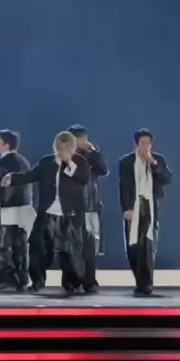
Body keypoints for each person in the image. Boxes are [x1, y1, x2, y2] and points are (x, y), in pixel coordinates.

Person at [1, 131, 89, 294]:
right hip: (47, 213)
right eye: (60, 148)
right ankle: (37, 281)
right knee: (38, 249)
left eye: (66, 148)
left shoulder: (79, 162)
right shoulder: (46, 162)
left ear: (72, 148)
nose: (62, 152)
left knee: (70, 253)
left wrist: (68, 162)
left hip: (69, 216)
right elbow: (30, 176)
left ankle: (72, 283)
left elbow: (83, 179)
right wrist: (12, 178)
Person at [119, 128, 172, 296]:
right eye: (142, 143)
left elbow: (166, 179)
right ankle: (140, 282)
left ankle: (146, 285)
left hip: (150, 206)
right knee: (133, 247)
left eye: (148, 143)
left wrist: (153, 164)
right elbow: (124, 187)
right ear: (136, 144)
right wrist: (126, 208)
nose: (146, 146)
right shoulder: (126, 162)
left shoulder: (158, 160)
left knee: (148, 247)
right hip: (134, 206)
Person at [0, 129, 35, 292]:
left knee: (0, 246)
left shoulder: (2, 163)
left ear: (6, 144)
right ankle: (22, 279)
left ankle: (8, 278)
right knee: (20, 246)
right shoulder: (24, 161)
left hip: (7, 210)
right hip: (25, 208)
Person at [67, 124, 109, 294]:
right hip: (70, 208)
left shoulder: (92, 155)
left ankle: (89, 281)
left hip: (89, 206)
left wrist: (93, 153)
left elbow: (104, 170)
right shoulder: (65, 155)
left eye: (82, 139)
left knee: (90, 247)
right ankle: (72, 280)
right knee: (70, 247)